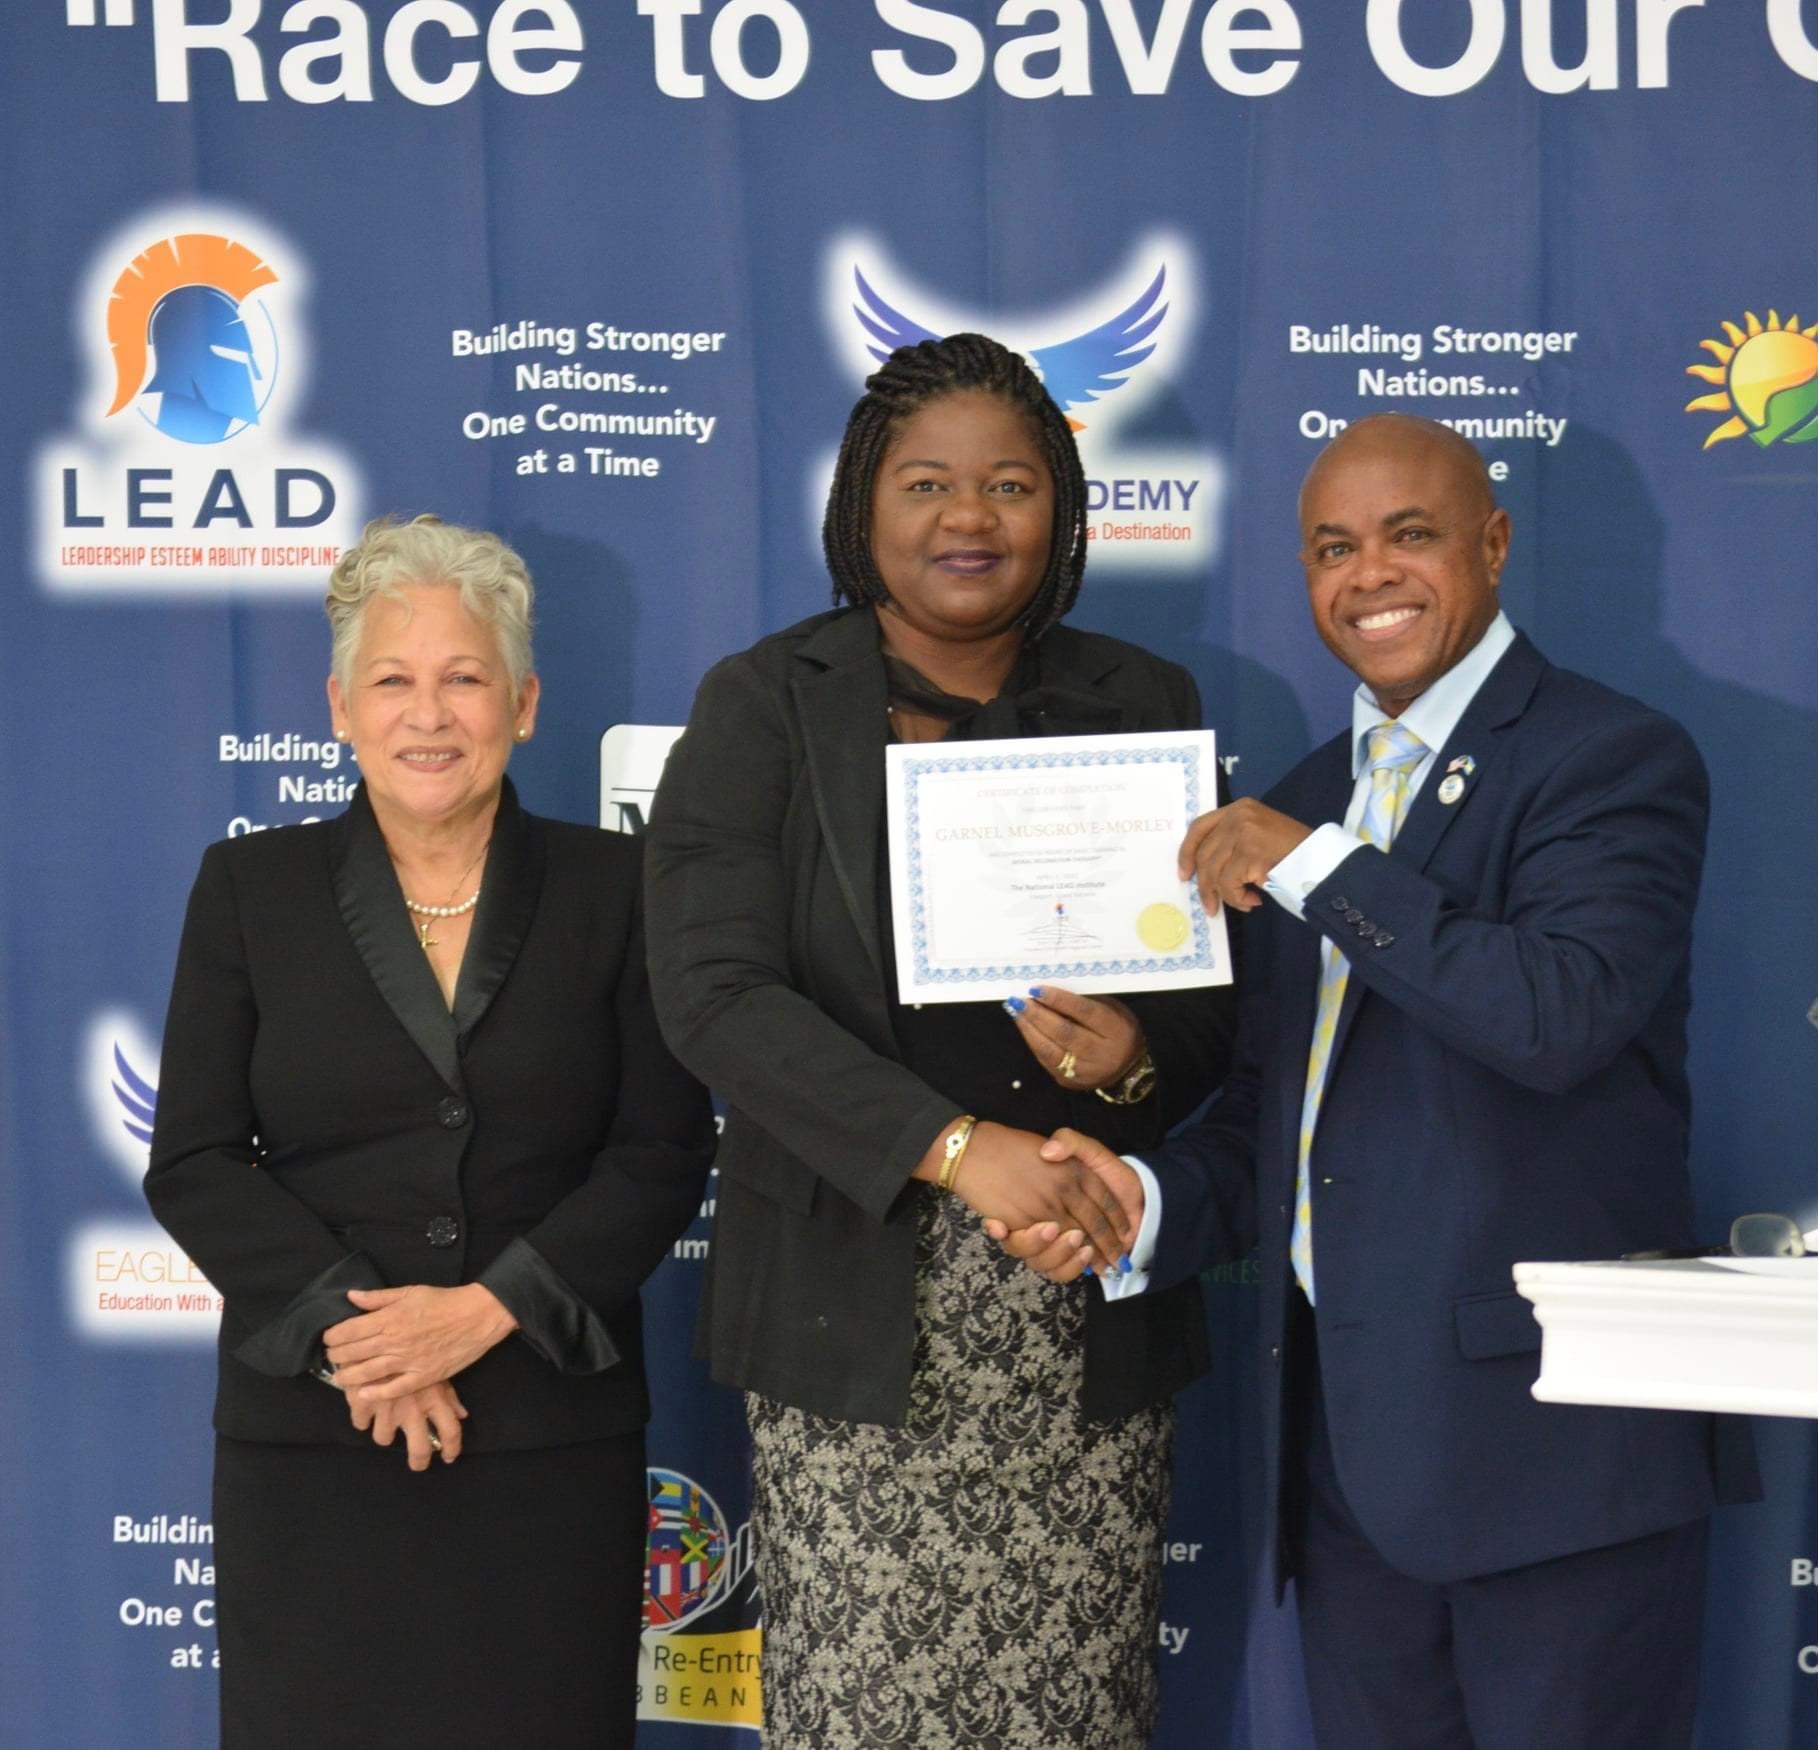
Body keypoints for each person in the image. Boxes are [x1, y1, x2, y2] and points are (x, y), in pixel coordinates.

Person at [1006, 413, 1760, 1749]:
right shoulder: (1305, 798)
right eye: (1331, 548)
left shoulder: (1607, 756)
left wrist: (1317, 867)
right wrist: (1140, 1199)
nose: (1369, 575)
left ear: (1493, 543)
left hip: (1559, 1465)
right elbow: (1278, 1112)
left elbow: (1557, 1014)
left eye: (1409, 535)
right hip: (1349, 1469)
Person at [642, 333, 1237, 1749]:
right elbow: (713, 992)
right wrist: (959, 1149)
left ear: (1061, 507)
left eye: (1009, 484)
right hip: (852, 1314)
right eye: (926, 483)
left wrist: (1129, 1058)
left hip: (1081, 1294)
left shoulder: (1145, 700)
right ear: (863, 505)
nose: (969, 517)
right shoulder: (762, 701)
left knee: (1075, 1713)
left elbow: (1212, 1018)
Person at [144, 515, 715, 1750]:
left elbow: (664, 1152)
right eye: (393, 681)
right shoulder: (249, 890)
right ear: (340, 708)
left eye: (465, 678)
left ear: (524, 703)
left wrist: (486, 1310)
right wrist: (369, 1341)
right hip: (315, 1437)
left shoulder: (621, 890)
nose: (429, 714)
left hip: (547, 1436)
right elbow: (193, 1159)